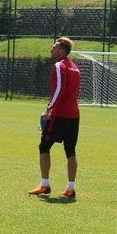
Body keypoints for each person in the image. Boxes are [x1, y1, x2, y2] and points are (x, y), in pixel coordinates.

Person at [29, 37, 81, 198]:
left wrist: (49, 108)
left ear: (60, 50)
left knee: (44, 147)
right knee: (71, 151)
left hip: (59, 114)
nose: (51, 50)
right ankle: (70, 187)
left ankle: (44, 185)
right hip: (74, 114)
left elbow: (59, 88)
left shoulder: (59, 66)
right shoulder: (75, 68)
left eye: (54, 47)